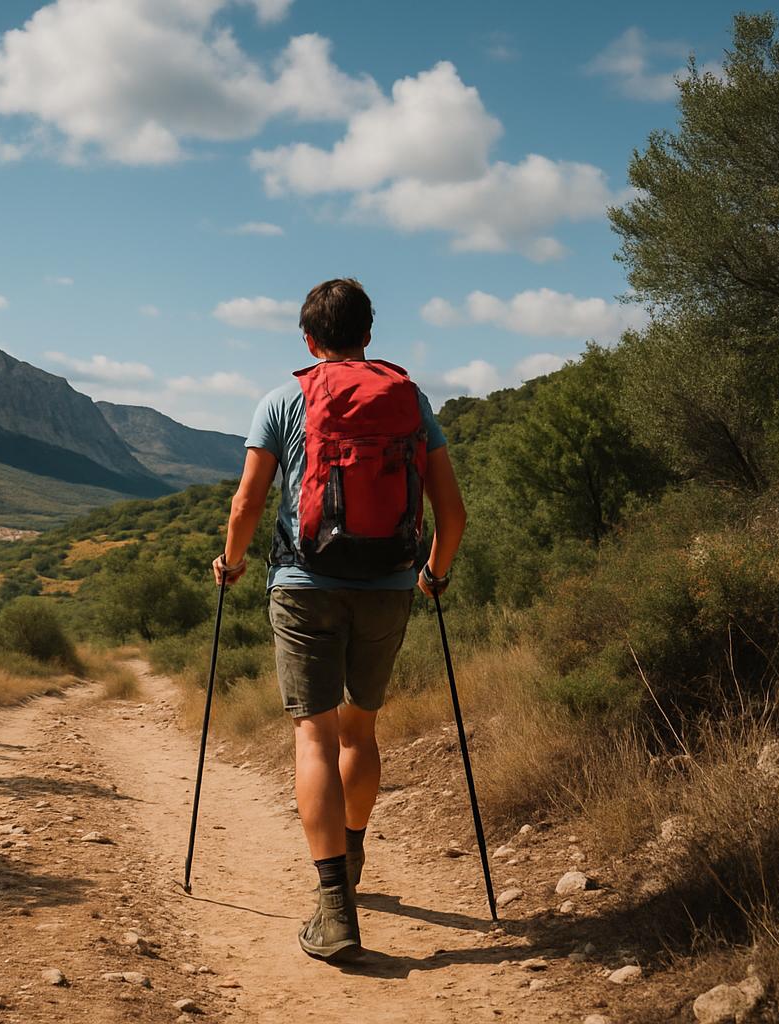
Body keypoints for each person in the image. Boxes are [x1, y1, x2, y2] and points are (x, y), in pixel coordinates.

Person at [212, 277, 466, 962]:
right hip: (388, 586)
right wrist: (433, 575)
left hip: (302, 584)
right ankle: (351, 857)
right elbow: (454, 513)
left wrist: (232, 563)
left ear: (308, 339)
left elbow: (245, 505)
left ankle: (335, 912)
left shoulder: (284, 398)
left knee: (313, 737)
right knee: (359, 729)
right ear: (368, 335)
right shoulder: (410, 399)